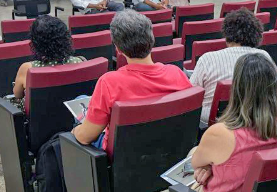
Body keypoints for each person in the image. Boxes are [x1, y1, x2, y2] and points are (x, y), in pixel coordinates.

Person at [190, 53, 277, 192]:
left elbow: (195, 163)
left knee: (193, 156)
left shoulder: (220, 134)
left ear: (237, 89)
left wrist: (207, 167)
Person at [72, 9, 191, 151]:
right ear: (152, 40)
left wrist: (75, 131)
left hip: (121, 153)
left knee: (80, 106)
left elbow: (86, 137)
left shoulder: (109, 83)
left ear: (118, 48)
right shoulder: (176, 73)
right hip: (166, 147)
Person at [190, 9, 275, 129]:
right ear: (256, 33)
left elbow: (192, 96)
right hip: (255, 118)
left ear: (227, 33)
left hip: (215, 122)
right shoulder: (264, 56)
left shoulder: (208, 59)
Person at [12, 16, 86, 103]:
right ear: (65, 38)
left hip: (38, 115)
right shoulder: (80, 61)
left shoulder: (28, 68)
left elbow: (17, 95)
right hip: (70, 113)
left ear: (35, 42)